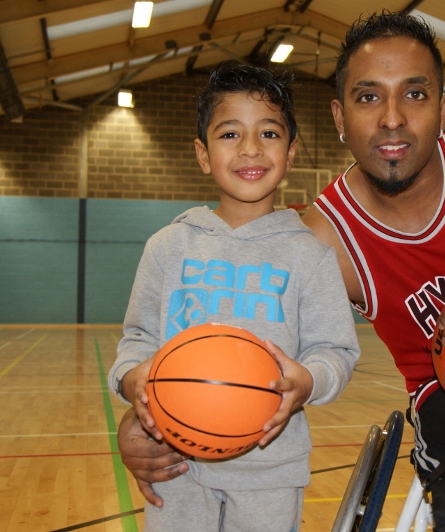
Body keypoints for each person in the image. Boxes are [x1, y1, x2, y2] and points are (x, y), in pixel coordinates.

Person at [117, 11, 445, 531]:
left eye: (414, 94)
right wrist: (150, 410)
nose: (392, 117)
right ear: (340, 119)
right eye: (369, 96)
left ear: (443, 110)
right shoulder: (324, 235)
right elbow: (239, 341)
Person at [108, 60, 359, 531]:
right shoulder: (169, 246)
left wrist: (308, 381)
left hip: (271, 466)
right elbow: (137, 341)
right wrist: (132, 380)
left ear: (291, 151)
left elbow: (336, 352)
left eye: (269, 133)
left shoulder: (313, 257)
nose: (250, 149)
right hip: (174, 462)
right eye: (229, 135)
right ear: (203, 155)